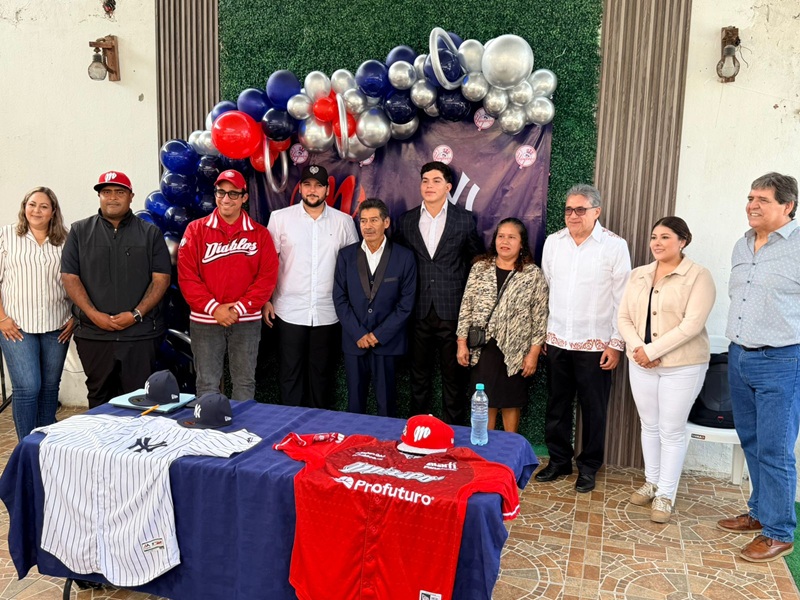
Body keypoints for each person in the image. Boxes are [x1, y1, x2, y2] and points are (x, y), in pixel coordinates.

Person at [717, 172, 800, 562]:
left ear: (788, 205)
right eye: (750, 198)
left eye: (762, 200)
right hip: (739, 356)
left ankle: (779, 532)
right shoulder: (743, 244)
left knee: (775, 449)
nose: (752, 205)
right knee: (751, 440)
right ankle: (760, 512)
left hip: (781, 361)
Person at [617, 216, 715, 523]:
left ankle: (666, 495)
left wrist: (652, 351)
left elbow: (692, 325)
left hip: (682, 365)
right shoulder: (638, 274)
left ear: (683, 241)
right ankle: (652, 482)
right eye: (654, 237)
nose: (657, 243)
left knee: (671, 430)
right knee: (649, 425)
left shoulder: (699, 276)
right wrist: (640, 349)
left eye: (665, 237)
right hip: (641, 362)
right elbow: (623, 318)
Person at [536, 184, 631, 493]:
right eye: (568, 209)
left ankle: (589, 467)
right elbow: (547, 287)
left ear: (596, 212)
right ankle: (559, 461)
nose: (573, 215)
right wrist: (546, 334)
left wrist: (615, 344)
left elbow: (622, 299)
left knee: (594, 409)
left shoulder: (614, 246)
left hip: (596, 345)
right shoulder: (554, 243)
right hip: (558, 340)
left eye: (580, 209)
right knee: (557, 406)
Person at [61, 171, 171, 408]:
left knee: (138, 399)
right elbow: (70, 277)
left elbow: (161, 279)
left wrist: (136, 314)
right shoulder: (79, 231)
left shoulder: (150, 233)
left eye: (120, 192)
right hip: (94, 334)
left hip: (140, 334)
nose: (112, 197)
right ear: (99, 196)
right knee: (99, 397)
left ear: (131, 196)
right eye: (106, 192)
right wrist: (93, 315)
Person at [395, 161, 484, 425]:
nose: (429, 186)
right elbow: (399, 264)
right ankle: (417, 430)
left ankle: (453, 430)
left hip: (452, 311)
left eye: (436, 181)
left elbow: (477, 262)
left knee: (453, 378)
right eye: (425, 180)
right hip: (417, 310)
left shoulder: (464, 220)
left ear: (448, 187)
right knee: (418, 377)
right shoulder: (407, 220)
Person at [178, 169, 278, 401]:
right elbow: (187, 276)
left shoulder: (260, 234)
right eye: (221, 192)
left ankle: (243, 426)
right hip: (205, 320)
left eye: (233, 194)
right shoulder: (196, 230)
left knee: (244, 382)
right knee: (207, 383)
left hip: (246, 320)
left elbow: (267, 278)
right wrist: (215, 309)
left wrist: (239, 309)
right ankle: (210, 424)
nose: (226, 199)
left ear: (244, 197)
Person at [263, 164, 358, 408]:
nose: (312, 190)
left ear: (327, 190)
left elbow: (353, 268)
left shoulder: (344, 222)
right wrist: (266, 300)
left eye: (318, 185)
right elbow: (267, 263)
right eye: (307, 185)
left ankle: (319, 428)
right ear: (300, 188)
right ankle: (288, 425)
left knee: (322, 378)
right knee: (290, 376)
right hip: (288, 310)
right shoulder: (280, 218)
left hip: (328, 312)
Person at [456, 218, 548, 433]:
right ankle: (484, 447)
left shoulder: (532, 274)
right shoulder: (480, 268)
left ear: (521, 243)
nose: (505, 241)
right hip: (483, 348)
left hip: (516, 350)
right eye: (501, 236)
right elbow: (466, 306)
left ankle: (510, 448)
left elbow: (540, 316)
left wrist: (533, 353)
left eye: (511, 237)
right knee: (484, 400)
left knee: (510, 401)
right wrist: (461, 343)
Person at [0, 187, 75, 440]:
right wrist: (1, 318)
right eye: (32, 204)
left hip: (57, 325)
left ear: (53, 212)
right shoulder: (6, 236)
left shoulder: (66, 240)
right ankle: (27, 446)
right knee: (28, 387)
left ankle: (45, 444)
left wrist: (74, 317)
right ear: (24, 207)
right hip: (16, 326)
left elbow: (77, 280)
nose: (36, 210)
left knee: (49, 388)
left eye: (44, 206)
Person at [333, 198, 417, 417]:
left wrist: (378, 335)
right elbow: (340, 298)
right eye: (363, 221)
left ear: (386, 222)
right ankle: (353, 439)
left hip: (387, 343)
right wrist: (359, 333)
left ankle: (386, 440)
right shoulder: (346, 256)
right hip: (355, 342)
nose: (368, 226)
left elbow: (406, 304)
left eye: (374, 220)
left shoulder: (404, 257)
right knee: (354, 404)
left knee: (387, 404)